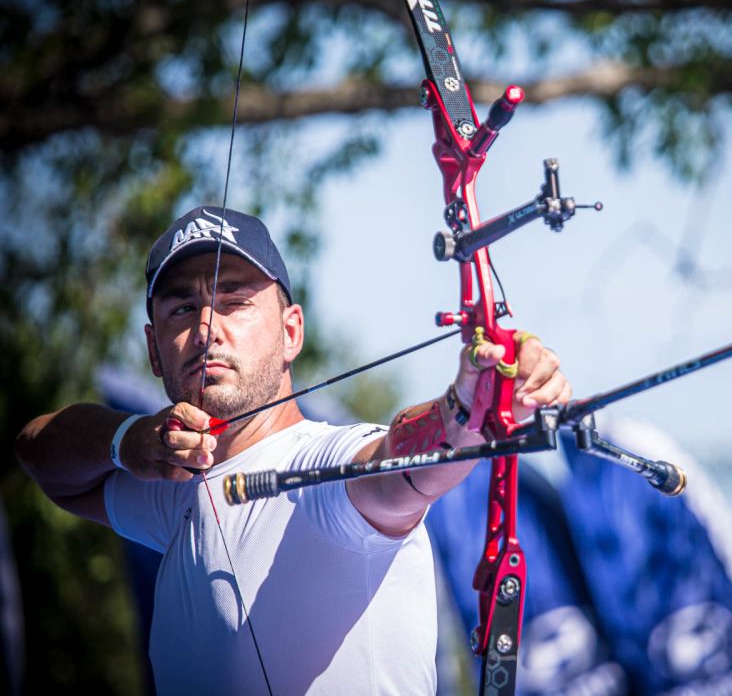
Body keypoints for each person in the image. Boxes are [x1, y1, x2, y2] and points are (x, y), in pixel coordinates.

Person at [15, 205, 571, 694]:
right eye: (182, 310)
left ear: (291, 332)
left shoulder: (321, 470)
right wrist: (126, 440)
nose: (207, 328)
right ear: (154, 352)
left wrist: (467, 405)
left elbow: (401, 467)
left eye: (233, 301)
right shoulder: (173, 494)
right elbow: (39, 452)